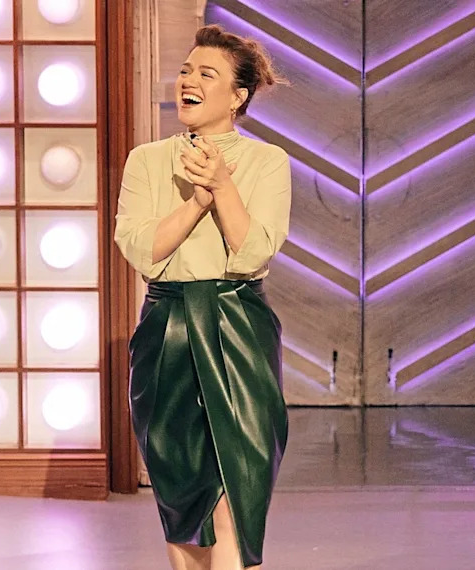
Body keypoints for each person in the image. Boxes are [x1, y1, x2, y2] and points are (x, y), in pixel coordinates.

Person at [114, 24, 291, 570]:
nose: (188, 81)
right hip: (166, 327)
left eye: (206, 74)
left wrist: (223, 185)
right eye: (186, 70)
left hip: (239, 325)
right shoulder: (146, 159)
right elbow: (143, 251)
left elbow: (254, 252)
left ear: (238, 96)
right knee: (180, 485)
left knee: (238, 480)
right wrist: (196, 202)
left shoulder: (268, 161)